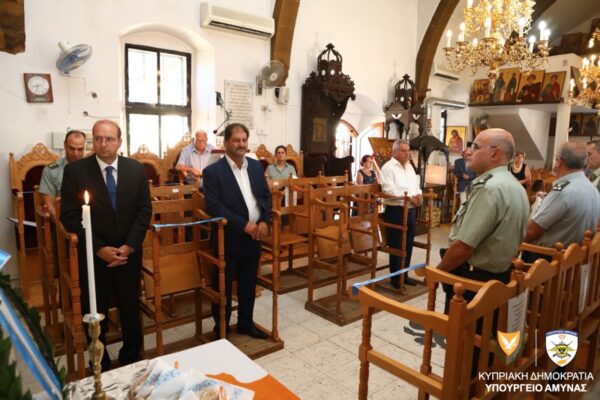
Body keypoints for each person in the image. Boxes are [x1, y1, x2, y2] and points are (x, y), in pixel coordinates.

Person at [60, 120, 151, 371]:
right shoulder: (76, 171)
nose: (103, 143)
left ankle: (131, 356)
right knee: (94, 306)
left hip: (128, 253)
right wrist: (99, 248)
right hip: (93, 254)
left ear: (119, 141)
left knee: (129, 305)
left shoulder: (135, 169)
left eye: (109, 139)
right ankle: (99, 361)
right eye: (98, 138)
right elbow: (69, 216)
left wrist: (130, 245)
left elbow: (144, 210)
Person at [437, 128, 529, 313]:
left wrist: (438, 272)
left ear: (494, 153)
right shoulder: (514, 185)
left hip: (474, 281)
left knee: (462, 331)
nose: (470, 151)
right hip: (499, 276)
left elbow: (464, 246)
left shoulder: (489, 188)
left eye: (476, 147)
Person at [203, 123, 272, 339]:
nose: (241, 144)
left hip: (254, 237)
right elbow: (214, 206)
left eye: (244, 140)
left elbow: (265, 197)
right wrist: (244, 224)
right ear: (225, 143)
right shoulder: (213, 172)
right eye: (236, 140)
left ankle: (245, 323)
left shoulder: (255, 167)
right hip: (228, 238)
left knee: (248, 284)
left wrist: (264, 220)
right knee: (223, 287)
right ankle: (221, 328)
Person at [522, 141, 600, 262]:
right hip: (575, 260)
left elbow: (531, 231)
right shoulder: (592, 189)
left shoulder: (563, 190)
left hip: (548, 260)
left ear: (559, 162)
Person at [380, 139, 422, 288]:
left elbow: (415, 185)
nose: (407, 153)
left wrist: (419, 194)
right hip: (395, 210)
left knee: (408, 244)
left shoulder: (410, 167)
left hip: (410, 210)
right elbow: (388, 190)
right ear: (395, 152)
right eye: (404, 151)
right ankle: (395, 278)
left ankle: (404, 275)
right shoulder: (388, 168)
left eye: (408, 150)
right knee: (397, 245)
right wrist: (409, 197)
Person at [39, 130, 86, 221]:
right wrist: (61, 226)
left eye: (80, 149)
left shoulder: (92, 168)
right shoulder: (51, 170)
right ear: (65, 145)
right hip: (63, 220)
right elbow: (50, 206)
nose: (76, 154)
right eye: (71, 148)